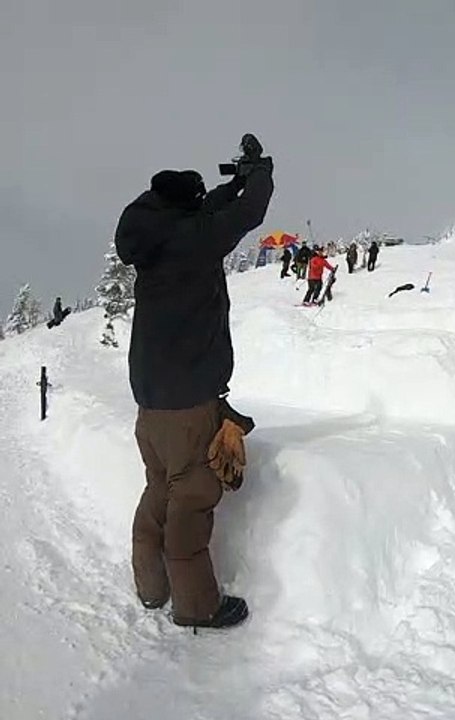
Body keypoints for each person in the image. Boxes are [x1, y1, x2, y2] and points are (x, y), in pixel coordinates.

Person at [114, 134, 274, 630]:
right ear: (186, 206)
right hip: (187, 401)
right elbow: (247, 214)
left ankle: (151, 586)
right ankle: (197, 604)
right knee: (192, 494)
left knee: (160, 485)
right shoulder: (191, 238)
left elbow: (211, 213)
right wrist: (261, 174)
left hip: (151, 399)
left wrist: (233, 185)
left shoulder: (156, 235)